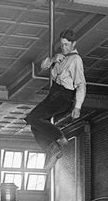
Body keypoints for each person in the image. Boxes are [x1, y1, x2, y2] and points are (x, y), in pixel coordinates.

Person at [26, 29, 86, 170]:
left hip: (63, 95)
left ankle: (58, 138)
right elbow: (43, 67)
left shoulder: (76, 60)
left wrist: (78, 106)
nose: (64, 47)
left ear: (74, 44)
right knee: (34, 123)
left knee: (33, 118)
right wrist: (53, 59)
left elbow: (81, 84)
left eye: (67, 45)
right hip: (54, 93)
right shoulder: (60, 56)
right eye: (62, 44)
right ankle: (51, 148)